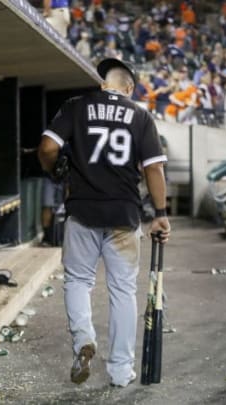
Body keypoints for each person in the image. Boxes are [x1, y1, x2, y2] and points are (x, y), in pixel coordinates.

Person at [37, 58, 171, 388]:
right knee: (123, 291)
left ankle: (84, 339)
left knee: (78, 282)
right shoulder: (140, 115)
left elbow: (47, 147)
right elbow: (154, 169)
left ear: (103, 84)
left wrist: (54, 171)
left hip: (82, 212)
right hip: (124, 216)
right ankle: (120, 371)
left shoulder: (76, 106)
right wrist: (161, 214)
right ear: (129, 89)